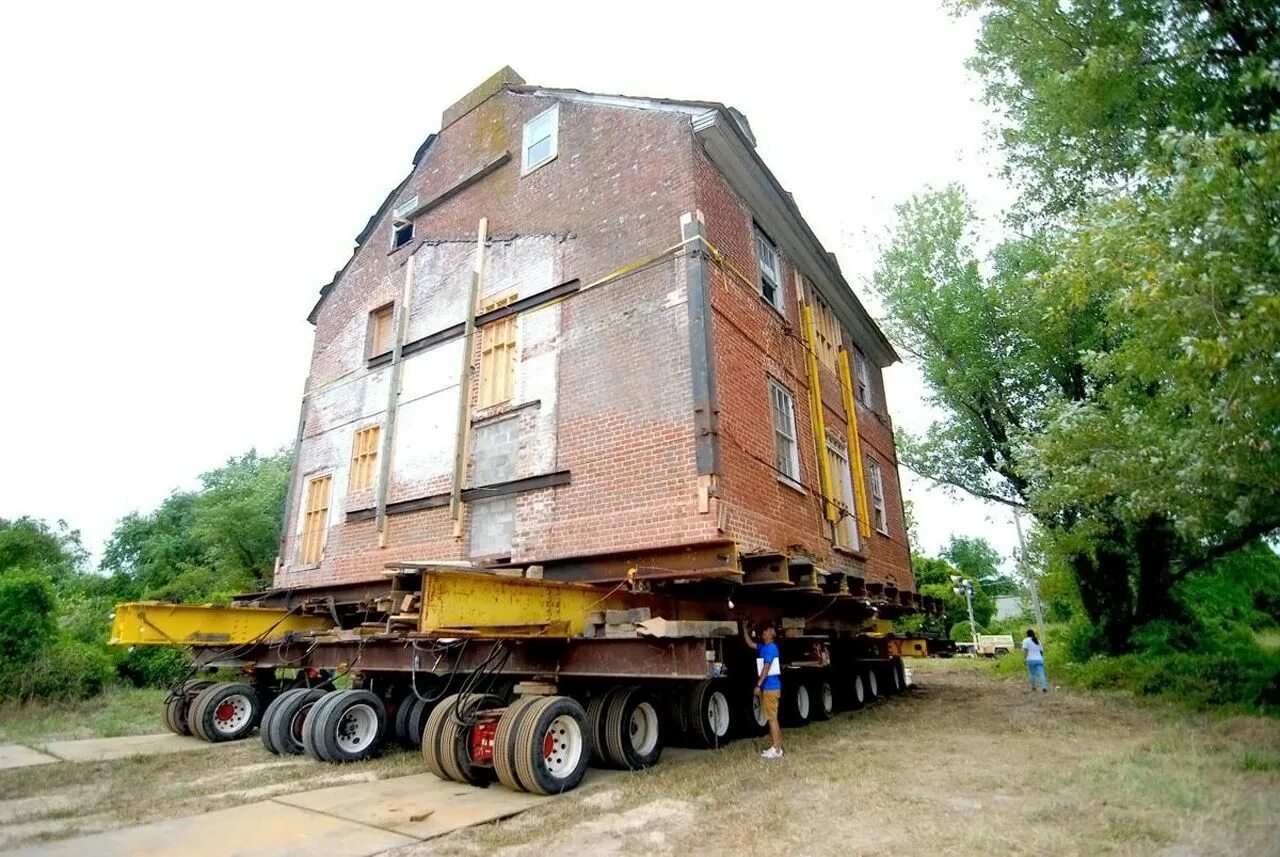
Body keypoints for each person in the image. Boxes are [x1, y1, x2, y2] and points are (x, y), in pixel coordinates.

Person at [743, 619, 783, 758]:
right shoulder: (764, 647)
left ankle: (776, 749)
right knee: (771, 717)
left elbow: (766, 668)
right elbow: (750, 644)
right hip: (770, 687)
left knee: (772, 718)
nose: (772, 632)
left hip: (770, 687)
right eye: (769, 630)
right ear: (764, 634)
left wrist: (758, 685)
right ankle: (776, 747)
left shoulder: (771, 648)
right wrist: (744, 629)